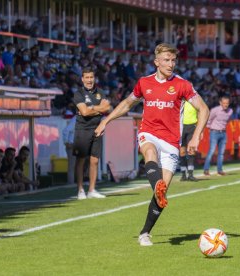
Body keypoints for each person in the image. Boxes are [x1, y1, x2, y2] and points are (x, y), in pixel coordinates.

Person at [95, 43, 209, 246]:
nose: (171, 64)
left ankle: (145, 232)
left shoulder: (183, 85)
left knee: (162, 195)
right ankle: (157, 184)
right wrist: (106, 120)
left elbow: (204, 109)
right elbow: (127, 104)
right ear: (156, 62)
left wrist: (196, 136)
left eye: (173, 60)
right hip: (149, 132)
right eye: (166, 60)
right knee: (149, 152)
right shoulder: (144, 82)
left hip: (172, 141)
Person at [73, 67, 111, 200]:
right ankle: (80, 190)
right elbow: (84, 112)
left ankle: (92, 190)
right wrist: (99, 109)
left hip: (97, 129)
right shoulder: (78, 94)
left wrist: (93, 108)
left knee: (94, 160)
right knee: (81, 160)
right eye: (87, 77)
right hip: (82, 129)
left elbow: (107, 108)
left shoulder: (100, 92)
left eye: (91, 77)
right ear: (82, 79)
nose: (89, 80)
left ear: (94, 78)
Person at [203, 95, 233, 176]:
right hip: (214, 132)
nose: (226, 105)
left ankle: (220, 170)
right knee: (212, 151)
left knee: (221, 153)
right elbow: (209, 119)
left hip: (223, 133)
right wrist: (210, 128)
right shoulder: (215, 110)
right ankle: (206, 169)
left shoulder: (230, 111)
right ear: (220, 103)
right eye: (224, 103)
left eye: (227, 103)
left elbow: (228, 120)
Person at [179, 101, 198, 182]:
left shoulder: (195, 101)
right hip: (180, 127)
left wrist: (200, 131)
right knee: (182, 152)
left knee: (191, 150)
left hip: (192, 127)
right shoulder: (180, 101)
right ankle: (183, 174)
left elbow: (201, 113)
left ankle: (190, 174)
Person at [62, 113, 77, 185]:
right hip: (72, 145)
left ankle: (76, 182)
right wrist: (66, 142)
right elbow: (66, 130)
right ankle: (71, 183)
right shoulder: (76, 119)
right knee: (72, 165)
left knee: (77, 165)